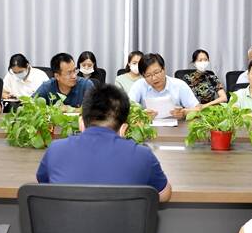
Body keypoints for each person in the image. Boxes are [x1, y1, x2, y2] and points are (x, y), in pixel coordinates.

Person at [36, 84, 171, 202]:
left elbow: (43, 186)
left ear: (81, 124)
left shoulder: (55, 150)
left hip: (66, 224)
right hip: (123, 224)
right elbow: (164, 194)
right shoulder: (143, 155)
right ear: (123, 129)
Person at [129, 53, 200, 119]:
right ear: (143, 76)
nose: (154, 78)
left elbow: (198, 109)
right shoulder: (139, 85)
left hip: (176, 127)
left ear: (164, 69)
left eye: (156, 72)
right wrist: (142, 114)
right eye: (148, 75)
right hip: (148, 127)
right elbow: (127, 109)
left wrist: (184, 113)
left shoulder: (179, 85)